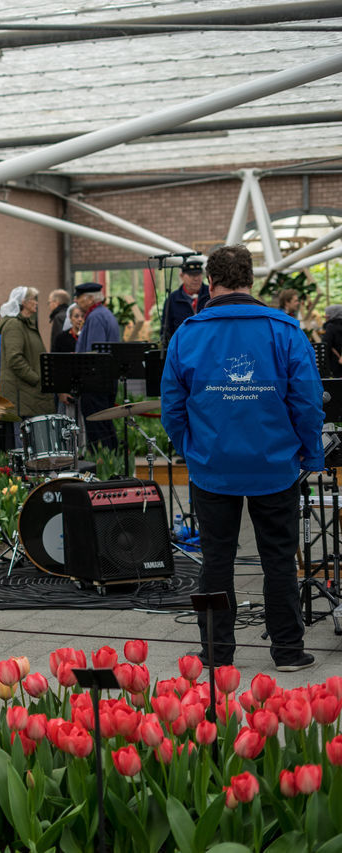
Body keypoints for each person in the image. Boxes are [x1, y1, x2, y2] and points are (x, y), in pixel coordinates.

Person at [162, 244, 322, 672]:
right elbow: (307, 403)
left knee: (216, 561)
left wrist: (193, 450)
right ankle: (288, 651)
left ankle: (216, 654)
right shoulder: (285, 330)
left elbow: (172, 410)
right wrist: (310, 453)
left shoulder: (188, 333)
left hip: (212, 468)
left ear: (210, 282)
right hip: (275, 467)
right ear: (251, 280)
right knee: (278, 560)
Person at [74, 281, 121, 450]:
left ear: (89, 298)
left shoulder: (95, 317)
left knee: (97, 430)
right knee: (106, 425)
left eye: (79, 297)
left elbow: (92, 353)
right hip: (106, 380)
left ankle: (102, 467)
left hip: (95, 383)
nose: (76, 301)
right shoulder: (105, 313)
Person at [0, 286, 52, 420]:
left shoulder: (26, 324)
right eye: (33, 299)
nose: (36, 303)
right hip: (22, 395)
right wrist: (36, 378)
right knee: (21, 438)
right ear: (24, 302)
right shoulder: (14, 325)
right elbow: (14, 358)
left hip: (29, 394)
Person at [161, 258, 209, 349]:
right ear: (181, 276)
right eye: (191, 275)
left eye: (198, 274)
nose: (196, 279)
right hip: (183, 349)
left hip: (208, 347)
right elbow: (166, 329)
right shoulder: (173, 299)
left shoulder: (211, 294)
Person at [321, 305, 342, 378]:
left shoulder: (330, 327)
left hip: (335, 364)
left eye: (327, 314)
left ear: (333, 314)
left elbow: (326, 345)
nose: (325, 316)